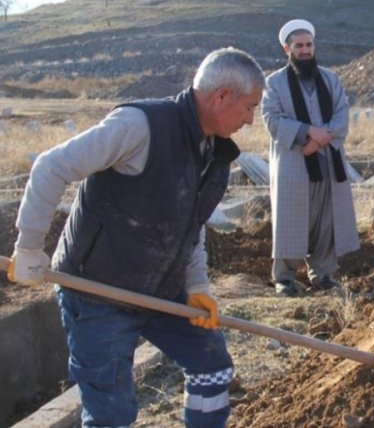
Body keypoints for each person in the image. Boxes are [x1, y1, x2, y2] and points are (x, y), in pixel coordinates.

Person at [7, 47, 265, 427]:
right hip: (96, 290)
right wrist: (28, 247)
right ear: (222, 96)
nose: (251, 120)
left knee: (211, 365)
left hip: (159, 289)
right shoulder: (139, 126)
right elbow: (50, 166)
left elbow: (190, 228)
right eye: (249, 107)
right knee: (112, 413)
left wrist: (196, 286)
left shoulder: (215, 154)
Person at [262, 19, 360, 296]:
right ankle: (285, 278)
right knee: (291, 218)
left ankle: (324, 275)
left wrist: (320, 139)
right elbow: (271, 119)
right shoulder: (275, 83)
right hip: (295, 163)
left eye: (309, 45)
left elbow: (341, 113)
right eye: (299, 46)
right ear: (287, 49)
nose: (305, 51)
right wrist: (307, 134)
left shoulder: (330, 79)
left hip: (327, 161)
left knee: (326, 219)